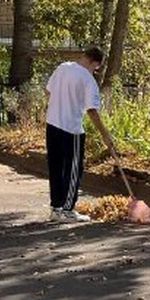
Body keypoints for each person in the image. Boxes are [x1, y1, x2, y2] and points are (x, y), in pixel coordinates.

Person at [45, 46, 118, 222]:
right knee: (73, 170)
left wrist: (59, 105)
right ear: (96, 63)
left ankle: (56, 208)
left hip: (52, 124)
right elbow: (92, 111)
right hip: (72, 129)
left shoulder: (62, 68)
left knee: (55, 167)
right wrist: (105, 135)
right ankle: (68, 210)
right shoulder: (88, 79)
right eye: (96, 68)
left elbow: (48, 91)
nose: (95, 70)